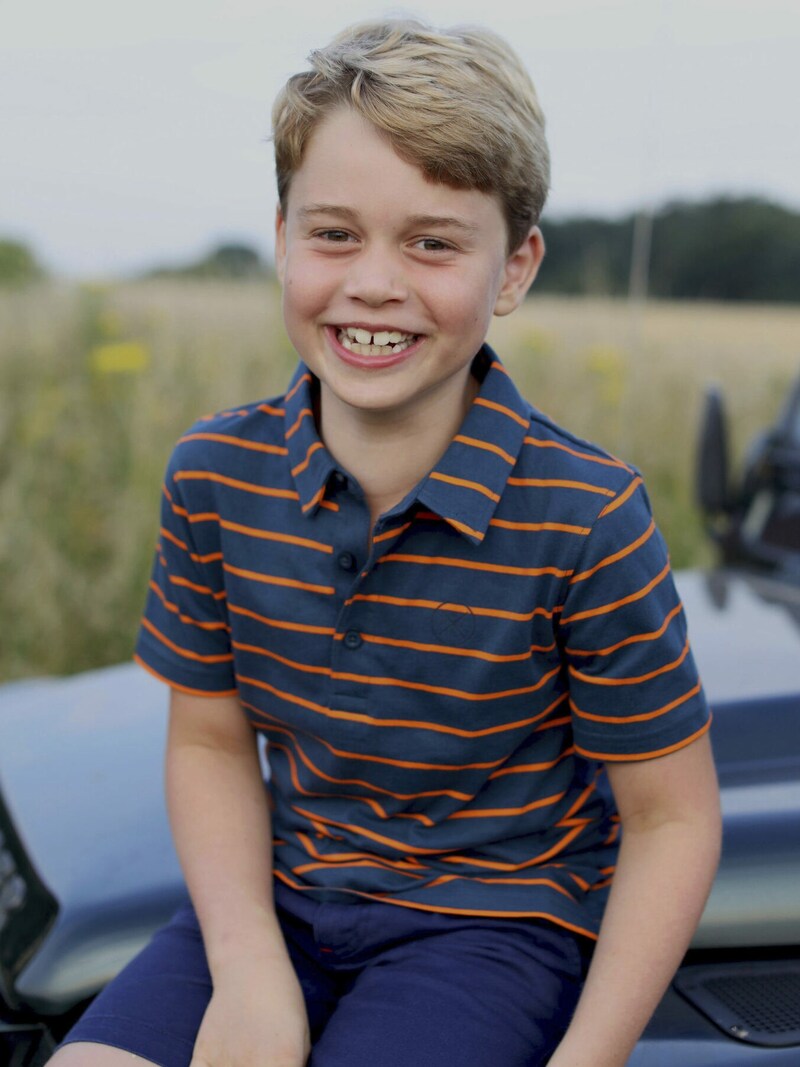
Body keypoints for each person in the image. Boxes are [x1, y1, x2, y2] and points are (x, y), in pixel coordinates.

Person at [52, 18, 721, 1067]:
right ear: (279, 236)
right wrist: (247, 968)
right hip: (275, 902)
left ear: (513, 267)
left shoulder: (588, 516)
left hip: (489, 927)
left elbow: (671, 819)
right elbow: (210, 742)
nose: (373, 282)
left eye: (431, 241)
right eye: (333, 233)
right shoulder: (214, 475)